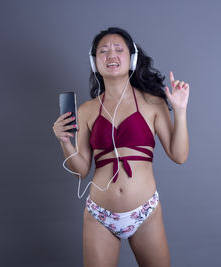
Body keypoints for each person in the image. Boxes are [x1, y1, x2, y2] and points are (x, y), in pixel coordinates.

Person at [52, 27, 189, 267]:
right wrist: (65, 141)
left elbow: (179, 156)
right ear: (95, 63)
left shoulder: (152, 103)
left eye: (118, 49)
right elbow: (80, 171)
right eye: (103, 51)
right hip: (99, 216)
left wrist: (180, 111)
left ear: (132, 58)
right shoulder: (86, 110)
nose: (111, 55)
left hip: (144, 213)